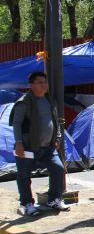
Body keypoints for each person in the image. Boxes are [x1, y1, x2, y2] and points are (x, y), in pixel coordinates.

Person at [11, 72, 69, 216]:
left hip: (48, 147)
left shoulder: (49, 100)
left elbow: (55, 121)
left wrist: (57, 137)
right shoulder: (24, 102)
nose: (44, 85)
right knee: (24, 175)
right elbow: (17, 124)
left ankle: (54, 199)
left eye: (45, 82)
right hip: (28, 146)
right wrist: (19, 143)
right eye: (40, 82)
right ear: (31, 85)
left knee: (58, 169)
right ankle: (27, 204)